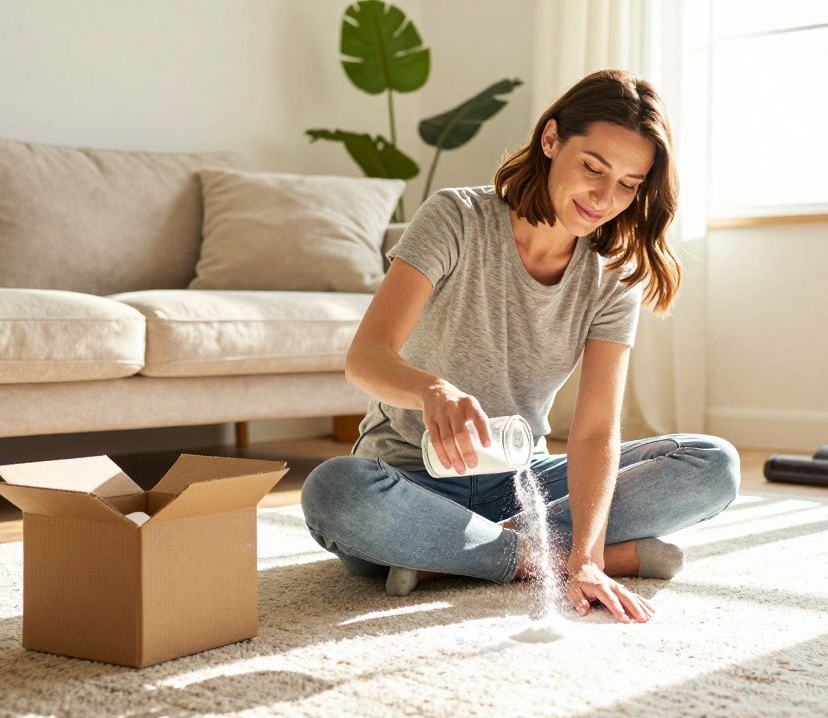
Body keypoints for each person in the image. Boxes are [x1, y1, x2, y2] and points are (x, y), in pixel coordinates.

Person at [301, 69, 739, 625]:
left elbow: (595, 430)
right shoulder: (455, 218)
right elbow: (366, 358)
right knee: (335, 492)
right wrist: (431, 391)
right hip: (410, 479)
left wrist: (587, 554)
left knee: (713, 464)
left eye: (629, 184)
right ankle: (540, 555)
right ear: (551, 139)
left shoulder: (612, 275)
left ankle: (459, 555)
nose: (605, 198)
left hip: (522, 482)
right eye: (593, 168)